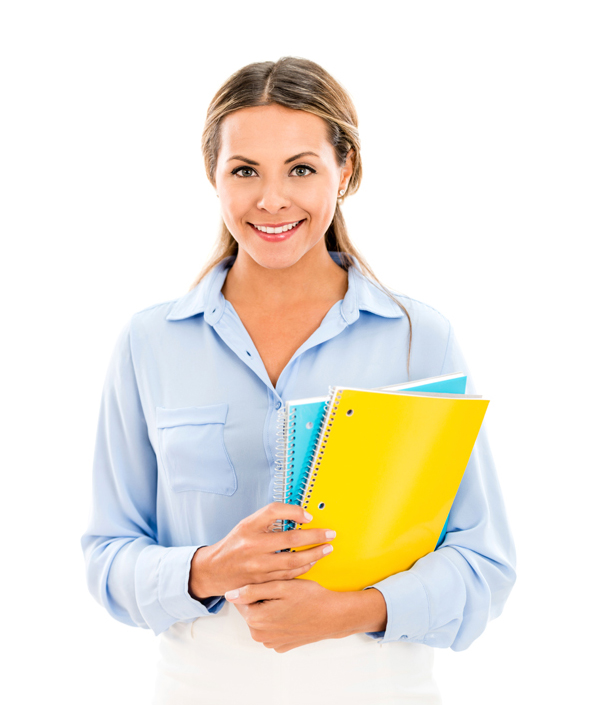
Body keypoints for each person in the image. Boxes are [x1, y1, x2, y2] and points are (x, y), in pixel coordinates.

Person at [81, 57, 516, 705]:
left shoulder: (417, 338)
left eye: (302, 169)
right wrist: (207, 568)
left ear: (347, 170)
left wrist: (351, 610)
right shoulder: (151, 342)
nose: (272, 199)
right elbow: (107, 555)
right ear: (213, 175)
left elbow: (484, 561)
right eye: (245, 170)